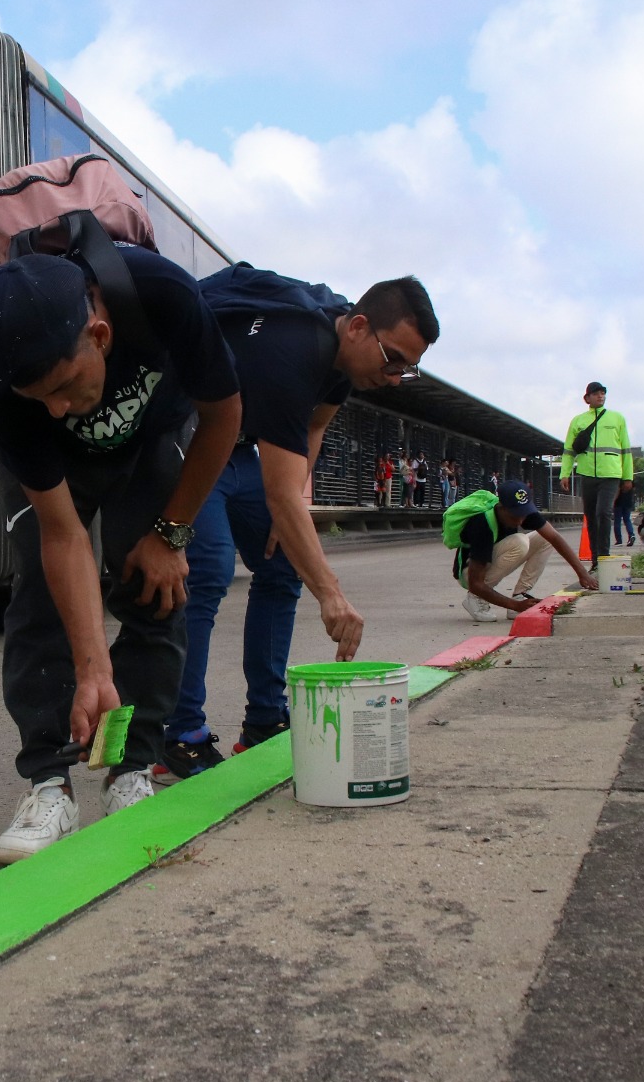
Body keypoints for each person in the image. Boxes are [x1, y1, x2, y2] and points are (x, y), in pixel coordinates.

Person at [0, 251, 241, 864]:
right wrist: (93, 671)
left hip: (149, 445)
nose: (55, 409)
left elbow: (224, 416)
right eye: (39, 399)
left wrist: (171, 534)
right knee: (39, 598)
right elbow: (63, 535)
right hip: (61, 477)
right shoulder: (9, 394)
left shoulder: (165, 297)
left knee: (155, 592)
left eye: (60, 387)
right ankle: (50, 785)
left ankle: (128, 771)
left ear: (100, 335)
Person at [159, 274, 440, 779]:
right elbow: (280, 492)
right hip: (182, 432)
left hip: (236, 444)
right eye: (393, 359)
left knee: (283, 562)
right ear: (357, 327)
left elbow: (315, 426)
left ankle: (265, 720)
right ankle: (181, 734)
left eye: (408, 369)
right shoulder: (292, 351)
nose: (396, 376)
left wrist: (285, 513)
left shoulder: (343, 364)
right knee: (209, 567)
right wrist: (330, 593)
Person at [449, 480, 598, 622]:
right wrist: (514, 606)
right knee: (519, 542)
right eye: (515, 515)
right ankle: (476, 598)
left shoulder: (522, 511)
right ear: (501, 507)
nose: (520, 520)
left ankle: (520, 595)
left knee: (544, 538)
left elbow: (555, 537)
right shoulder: (482, 523)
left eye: (523, 513)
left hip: (491, 561)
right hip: (470, 574)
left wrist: (583, 574)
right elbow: (475, 583)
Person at [559, 381, 633, 571]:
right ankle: (596, 561)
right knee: (591, 516)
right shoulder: (578, 421)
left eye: (603, 393)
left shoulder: (617, 418)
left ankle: (605, 557)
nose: (601, 396)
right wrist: (564, 473)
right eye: (596, 393)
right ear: (587, 398)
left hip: (611, 473)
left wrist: (628, 477)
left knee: (604, 512)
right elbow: (569, 450)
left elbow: (626, 449)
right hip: (587, 474)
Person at [612, 482, 636, 547]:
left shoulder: (620, 480)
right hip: (628, 503)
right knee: (627, 520)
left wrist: (613, 501)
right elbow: (633, 491)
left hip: (618, 503)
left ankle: (619, 541)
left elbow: (617, 491)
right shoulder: (631, 480)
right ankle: (631, 535)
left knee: (617, 521)